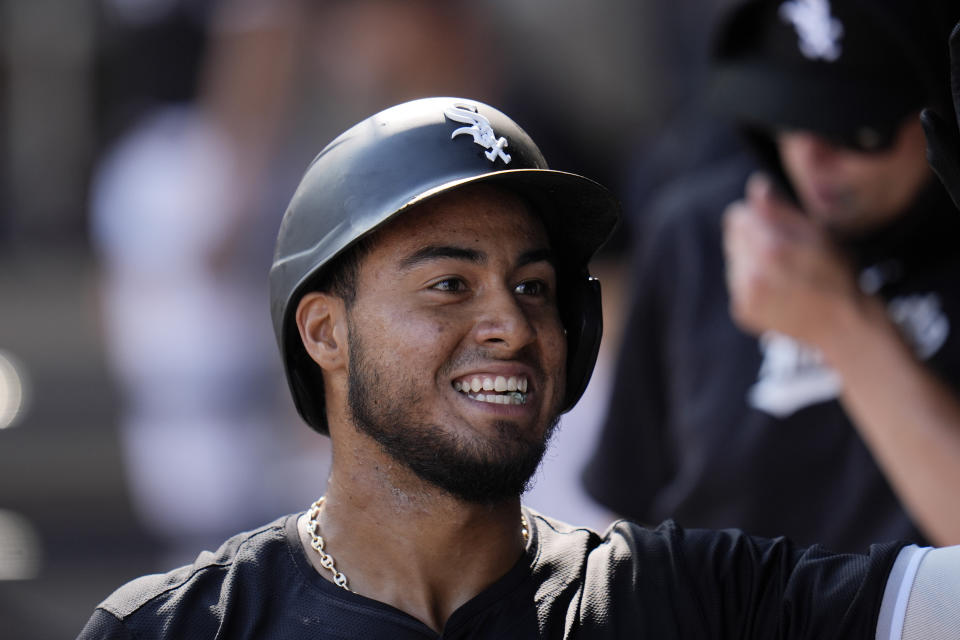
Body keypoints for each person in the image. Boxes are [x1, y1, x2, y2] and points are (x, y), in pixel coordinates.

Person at [76, 96, 960, 639]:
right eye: (450, 284)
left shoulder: (693, 599)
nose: (509, 322)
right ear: (325, 334)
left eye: (535, 286)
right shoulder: (177, 628)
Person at [583, 0, 960, 550]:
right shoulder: (700, 235)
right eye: (790, 112)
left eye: (856, 128)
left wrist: (841, 325)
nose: (810, 156)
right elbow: (630, 532)